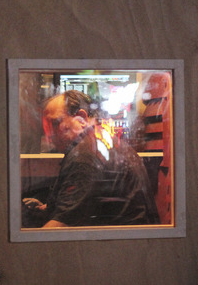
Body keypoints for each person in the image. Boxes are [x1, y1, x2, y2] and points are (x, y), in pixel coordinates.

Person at [22, 90, 159, 228]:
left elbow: (60, 227)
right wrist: (47, 207)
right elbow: (88, 201)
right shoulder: (98, 142)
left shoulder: (84, 156)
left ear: (81, 118)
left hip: (117, 244)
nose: (49, 136)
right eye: (47, 127)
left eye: (56, 123)